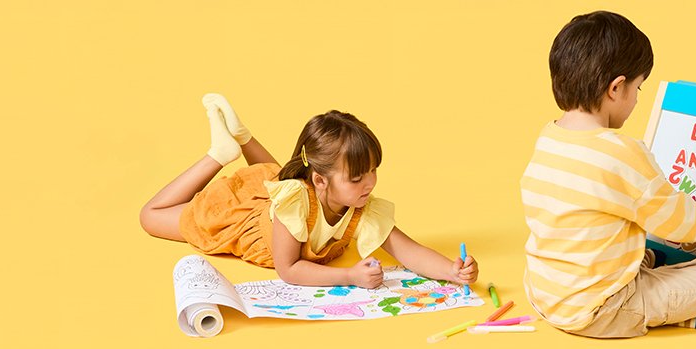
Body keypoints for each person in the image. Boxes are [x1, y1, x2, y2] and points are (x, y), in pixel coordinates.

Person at [520, 11, 696, 338]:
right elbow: (682, 223)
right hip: (599, 310)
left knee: (641, 250)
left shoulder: (549, 137)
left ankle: (644, 268)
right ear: (616, 88)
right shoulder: (621, 152)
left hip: (544, 293)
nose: (638, 98)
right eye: (638, 87)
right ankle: (671, 314)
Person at [140, 94, 478, 289]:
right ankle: (219, 154)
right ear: (320, 181)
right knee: (150, 217)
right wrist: (349, 275)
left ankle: (244, 137)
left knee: (277, 176)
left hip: (283, 190)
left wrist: (451, 270)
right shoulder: (294, 204)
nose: (370, 183)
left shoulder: (358, 205)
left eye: (373, 171)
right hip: (241, 218)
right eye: (358, 177)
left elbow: (409, 251)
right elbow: (288, 268)